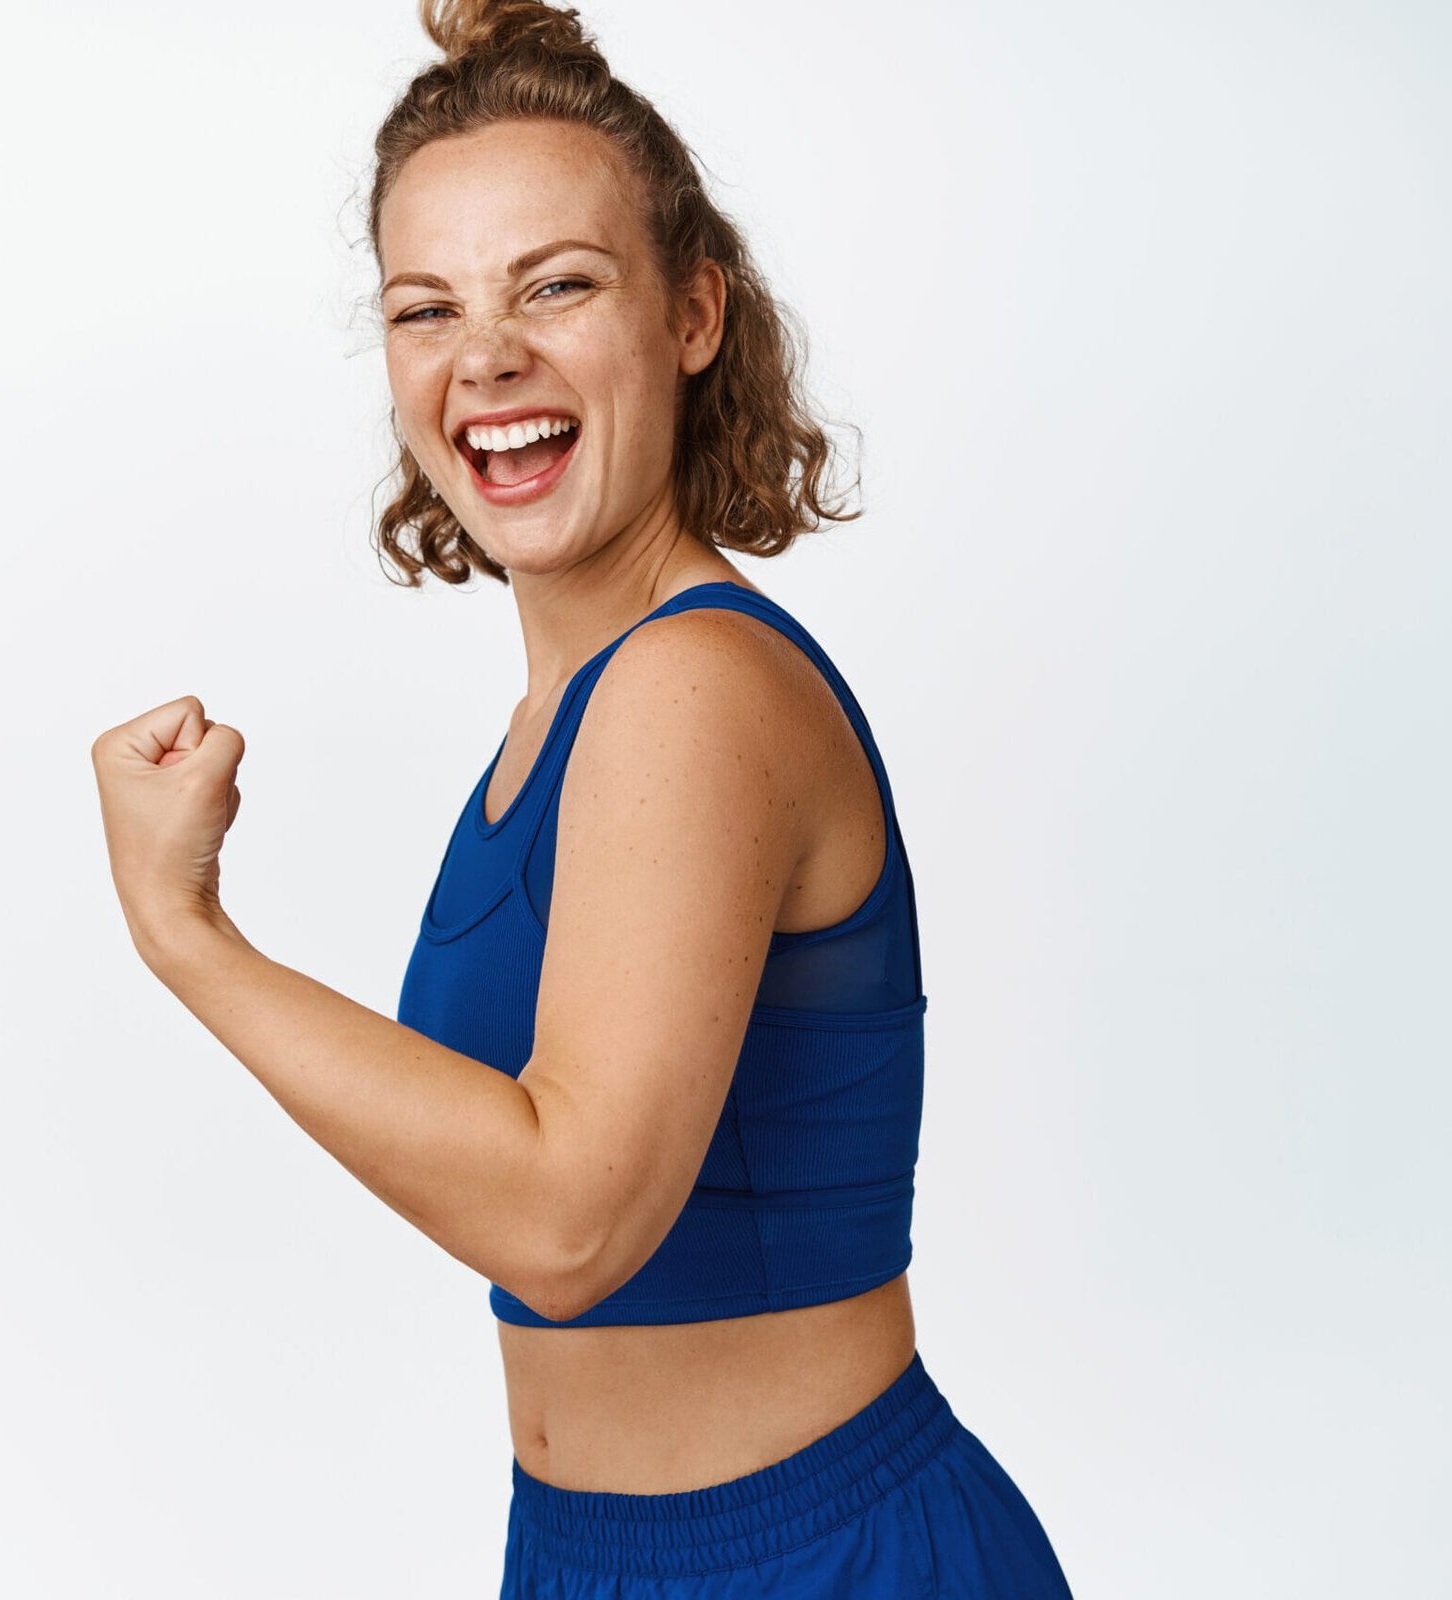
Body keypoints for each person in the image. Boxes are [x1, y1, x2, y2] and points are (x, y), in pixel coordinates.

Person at [90, 1, 1077, 1593]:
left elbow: (568, 1225)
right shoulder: (567, 713)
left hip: (811, 1558)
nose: (486, 357)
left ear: (693, 313)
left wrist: (186, 933)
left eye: (557, 283)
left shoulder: (697, 690)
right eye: (428, 309)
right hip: (584, 1551)